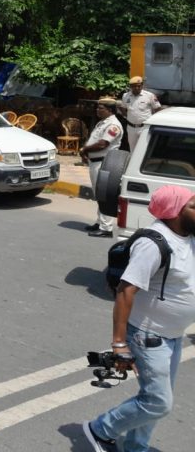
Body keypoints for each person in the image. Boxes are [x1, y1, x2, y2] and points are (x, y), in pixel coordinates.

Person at [83, 185, 195, 452]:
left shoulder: (188, 236)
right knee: (158, 402)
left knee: (152, 400)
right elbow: (126, 291)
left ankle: (136, 447)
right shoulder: (153, 243)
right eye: (193, 205)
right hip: (148, 336)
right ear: (173, 211)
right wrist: (119, 343)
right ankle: (100, 429)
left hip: (172, 335)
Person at [81, 97, 125, 237]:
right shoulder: (102, 122)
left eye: (101, 108)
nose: (97, 110)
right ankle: (100, 222)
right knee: (98, 194)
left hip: (104, 163)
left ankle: (106, 228)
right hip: (95, 162)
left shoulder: (113, 125)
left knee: (104, 195)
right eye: (98, 107)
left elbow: (102, 144)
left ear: (110, 110)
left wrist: (85, 150)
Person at [119, 76, 163, 152]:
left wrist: (153, 121)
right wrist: (127, 117)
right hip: (131, 127)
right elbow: (123, 107)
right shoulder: (125, 96)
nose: (137, 88)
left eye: (139, 86)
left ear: (142, 85)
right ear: (130, 87)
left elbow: (157, 108)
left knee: (144, 149)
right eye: (134, 86)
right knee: (132, 150)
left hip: (144, 128)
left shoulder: (149, 95)